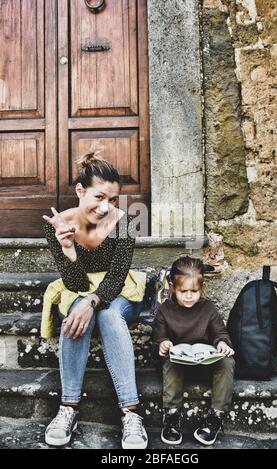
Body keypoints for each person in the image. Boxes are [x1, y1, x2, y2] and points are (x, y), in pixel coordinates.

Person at [41, 151, 148, 449]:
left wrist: (92, 302)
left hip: (120, 290)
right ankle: (68, 408)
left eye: (113, 200)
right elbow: (74, 284)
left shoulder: (126, 222)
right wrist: (69, 250)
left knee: (108, 315)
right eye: (99, 197)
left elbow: (116, 279)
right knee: (76, 313)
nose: (105, 207)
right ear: (80, 191)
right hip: (79, 288)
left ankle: (131, 413)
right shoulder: (58, 224)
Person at [152, 256, 235, 446]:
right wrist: (163, 343)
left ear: (202, 287)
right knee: (170, 361)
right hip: (177, 365)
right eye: (183, 291)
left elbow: (220, 332)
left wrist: (222, 343)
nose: (189, 296)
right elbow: (157, 337)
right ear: (172, 287)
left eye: (194, 291)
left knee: (227, 361)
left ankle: (216, 416)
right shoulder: (165, 310)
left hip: (204, 364)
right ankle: (172, 417)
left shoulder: (208, 308)